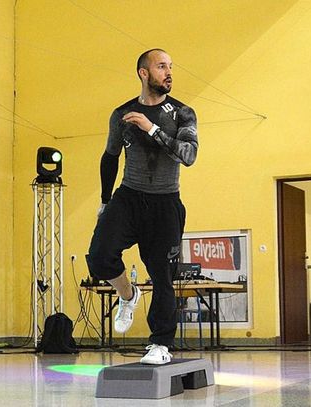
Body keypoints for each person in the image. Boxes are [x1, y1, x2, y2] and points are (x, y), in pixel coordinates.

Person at [87, 48, 198, 364]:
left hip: (165, 203)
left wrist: (152, 129)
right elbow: (110, 157)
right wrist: (105, 201)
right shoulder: (122, 114)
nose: (169, 72)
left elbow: (189, 155)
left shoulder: (183, 113)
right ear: (144, 73)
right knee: (99, 257)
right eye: (162, 66)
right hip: (128, 197)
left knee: (163, 277)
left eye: (171, 66)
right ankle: (128, 294)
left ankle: (161, 344)